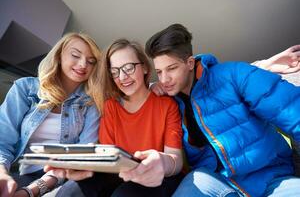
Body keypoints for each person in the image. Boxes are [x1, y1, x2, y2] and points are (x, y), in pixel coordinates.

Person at [145, 24, 300, 197]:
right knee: (193, 182)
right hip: (215, 182)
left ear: (190, 63)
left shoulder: (233, 75)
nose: (165, 79)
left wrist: (262, 66)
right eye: (159, 72)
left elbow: (293, 111)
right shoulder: (168, 101)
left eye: (171, 68)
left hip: (271, 178)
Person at [48, 39, 184, 197]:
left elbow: (176, 159)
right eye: (115, 72)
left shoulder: (167, 105)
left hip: (154, 179)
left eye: (129, 68)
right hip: (118, 174)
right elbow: (107, 159)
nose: (123, 77)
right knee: (72, 191)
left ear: (145, 67)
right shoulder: (111, 107)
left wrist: (163, 162)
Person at [0, 32, 102, 197]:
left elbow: (83, 156)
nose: (83, 64)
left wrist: (32, 191)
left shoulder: (91, 104)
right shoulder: (25, 88)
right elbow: (2, 142)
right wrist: (2, 176)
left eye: (91, 61)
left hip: (64, 180)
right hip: (22, 174)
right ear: (59, 56)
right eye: (75, 55)